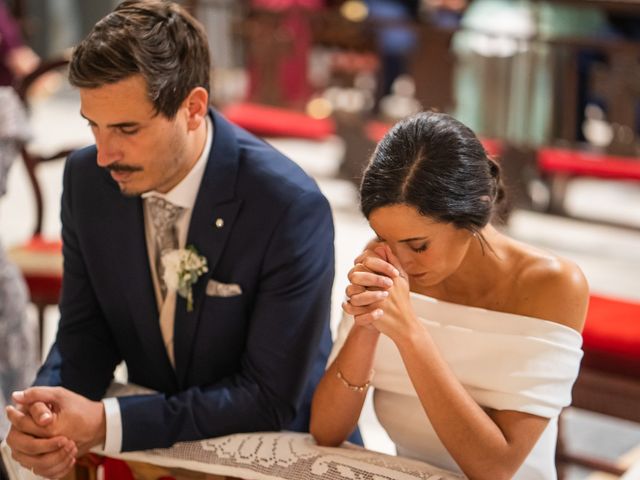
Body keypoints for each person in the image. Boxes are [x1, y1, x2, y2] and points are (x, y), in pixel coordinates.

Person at [4, 1, 347, 478]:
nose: (104, 154)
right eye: (93, 126)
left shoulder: (286, 205)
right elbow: (86, 331)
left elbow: (268, 396)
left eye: (127, 129)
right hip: (157, 447)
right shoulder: (88, 179)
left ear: (193, 108)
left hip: (278, 452)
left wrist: (105, 422)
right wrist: (47, 412)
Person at [310, 111, 588, 479]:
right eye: (386, 238)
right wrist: (367, 326)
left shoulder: (552, 285)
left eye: (419, 245)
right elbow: (327, 432)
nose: (402, 262)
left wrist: (410, 334)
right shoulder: (387, 259)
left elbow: (495, 468)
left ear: (475, 210)